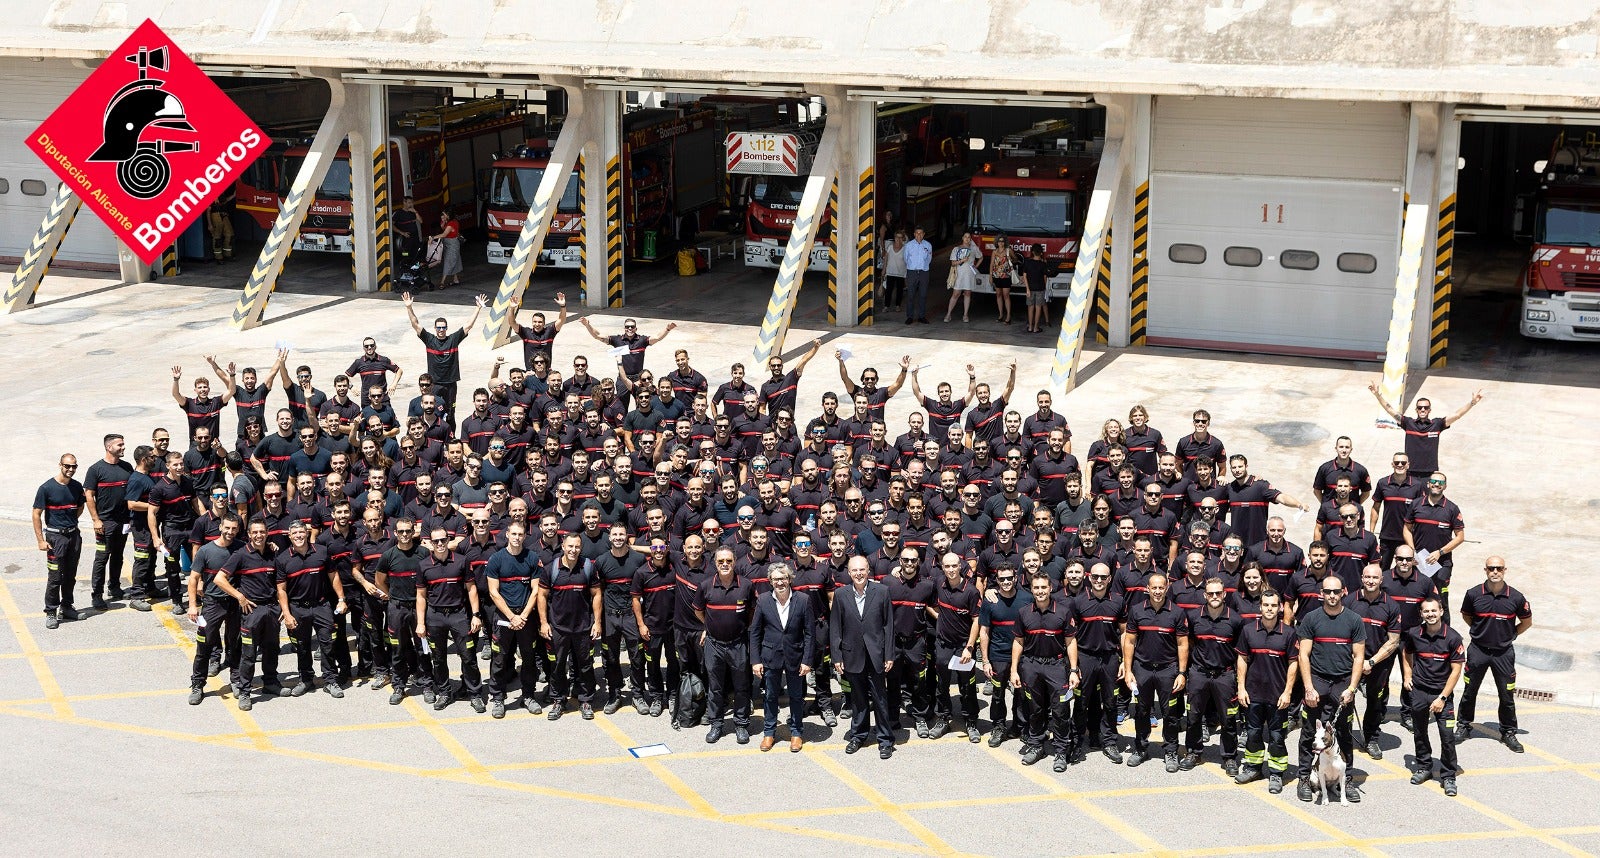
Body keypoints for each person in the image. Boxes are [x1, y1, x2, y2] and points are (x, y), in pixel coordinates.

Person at [1295, 573, 1365, 803]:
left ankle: (1348, 780)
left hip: (1342, 683)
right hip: (1318, 681)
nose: (1332, 595)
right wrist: (1308, 687)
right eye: (1328, 591)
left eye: (1336, 591)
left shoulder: (1354, 620)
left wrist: (1352, 688)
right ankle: (1305, 777)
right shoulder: (1311, 619)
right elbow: (1303, 655)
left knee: (1343, 734)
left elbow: (1358, 657)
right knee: (1309, 733)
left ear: (1344, 592)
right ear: (1321, 594)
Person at [1455, 556, 1533, 753]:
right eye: (1491, 568)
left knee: (1506, 695)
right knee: (1469, 691)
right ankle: (1464, 725)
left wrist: (1512, 634)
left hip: (1503, 654)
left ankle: (1508, 732)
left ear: (1505, 570)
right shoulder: (1473, 594)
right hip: (1478, 651)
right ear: (1485, 570)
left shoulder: (1516, 597)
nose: (1495, 572)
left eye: (1499, 568)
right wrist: (1480, 631)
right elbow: (1467, 615)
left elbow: (1526, 622)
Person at [1011, 572, 1080, 772]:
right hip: (1031, 666)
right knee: (1035, 709)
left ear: (1050, 588)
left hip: (1056, 666)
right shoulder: (1024, 613)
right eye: (1036, 588)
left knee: (1060, 710)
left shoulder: (1063, 612)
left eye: (1043, 587)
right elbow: (1018, 642)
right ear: (1031, 590)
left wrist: (1074, 670)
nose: (1040, 591)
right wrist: (1014, 670)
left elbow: (1070, 642)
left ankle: (1060, 750)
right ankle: (1036, 745)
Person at [213, 520, 285, 709]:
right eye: (255, 532)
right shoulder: (241, 555)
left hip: (271, 610)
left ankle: (270, 682)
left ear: (267, 533)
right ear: (249, 534)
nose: (259, 535)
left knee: (271, 649)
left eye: (262, 531)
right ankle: (245, 691)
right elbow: (219, 579)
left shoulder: (272, 553)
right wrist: (240, 597)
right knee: (249, 654)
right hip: (251, 612)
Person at [831, 555, 898, 758]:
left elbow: (888, 626)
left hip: (876, 654)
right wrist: (837, 656)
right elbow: (836, 628)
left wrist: (889, 654)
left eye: (862, 570)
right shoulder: (841, 594)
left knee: (879, 699)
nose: (859, 574)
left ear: (868, 571)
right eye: (854, 570)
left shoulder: (882, 591)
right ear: (849, 573)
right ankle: (858, 735)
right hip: (852, 656)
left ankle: (885, 740)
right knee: (858, 700)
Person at [1234, 586, 1298, 793]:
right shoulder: (1248, 630)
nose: (1269, 609)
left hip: (1278, 696)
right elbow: (1242, 659)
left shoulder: (1288, 633)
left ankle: (1277, 773)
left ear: (1280, 608)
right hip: (1253, 694)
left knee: (1277, 736)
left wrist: (1288, 692)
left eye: (1273, 606)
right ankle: (1253, 767)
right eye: (1265, 605)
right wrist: (1241, 688)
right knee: (1252, 734)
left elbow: (1293, 664)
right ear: (1260, 607)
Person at [1122, 572, 1188, 771]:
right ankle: (1141, 748)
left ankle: (1170, 751)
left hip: (1168, 670)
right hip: (1142, 669)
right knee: (1141, 710)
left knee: (1170, 713)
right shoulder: (1136, 611)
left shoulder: (1177, 612)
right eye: (1154, 588)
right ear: (1147, 589)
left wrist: (1182, 673)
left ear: (1166, 588)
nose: (1158, 591)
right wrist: (1128, 670)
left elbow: (1182, 644)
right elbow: (1130, 641)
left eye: (1161, 587)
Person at [417, 525, 484, 712]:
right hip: (435, 616)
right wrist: (421, 623)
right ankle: (444, 692)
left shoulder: (462, 561)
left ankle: (475, 694)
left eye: (443, 540)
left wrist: (476, 615)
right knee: (438, 658)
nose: (440, 544)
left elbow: (471, 589)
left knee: (468, 656)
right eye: (435, 541)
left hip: (459, 615)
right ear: (430, 543)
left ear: (449, 540)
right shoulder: (423, 565)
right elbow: (421, 596)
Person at [1403, 595, 1466, 796]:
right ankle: (1424, 766)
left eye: (1433, 611)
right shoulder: (1414, 634)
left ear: (1441, 611)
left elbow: (1456, 670)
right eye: (1426, 611)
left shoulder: (1453, 638)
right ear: (1421, 614)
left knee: (1447, 736)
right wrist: (1407, 675)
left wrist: (1442, 698)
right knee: (1419, 731)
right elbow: (1406, 653)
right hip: (1419, 692)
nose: (1430, 614)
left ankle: (1448, 776)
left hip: (1442, 695)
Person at [275, 521, 346, 698]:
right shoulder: (283, 559)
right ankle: (306, 679)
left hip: (322, 606)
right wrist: (287, 613)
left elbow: (334, 576)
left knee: (327, 644)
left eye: (301, 532)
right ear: (289, 536)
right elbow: (281, 590)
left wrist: (341, 599)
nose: (298, 536)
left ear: (307, 533)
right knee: (302, 647)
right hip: (298, 609)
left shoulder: (321, 552)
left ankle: (330, 680)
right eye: (294, 533)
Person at [749, 561, 815, 752]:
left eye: (784, 578)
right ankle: (769, 733)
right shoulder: (763, 600)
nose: (780, 582)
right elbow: (755, 633)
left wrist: (807, 660)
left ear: (790, 579)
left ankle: (796, 733)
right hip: (770, 656)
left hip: (795, 656)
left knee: (796, 696)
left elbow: (810, 633)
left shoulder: (803, 600)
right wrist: (756, 661)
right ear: (770, 581)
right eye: (776, 579)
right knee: (770, 696)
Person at [538, 533, 601, 720]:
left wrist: (597, 622)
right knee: (557, 666)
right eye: (570, 546)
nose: (573, 550)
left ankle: (586, 700)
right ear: (563, 547)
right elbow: (541, 596)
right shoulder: (551, 569)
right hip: (558, 628)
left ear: (581, 548)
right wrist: (543, 622)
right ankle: (558, 700)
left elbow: (597, 594)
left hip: (583, 628)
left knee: (585, 665)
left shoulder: (588, 567)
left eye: (577, 547)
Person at [1183, 576, 1243, 774]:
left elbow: (1239, 651)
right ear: (1205, 595)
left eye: (1218, 593)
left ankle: (1229, 757)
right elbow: (1189, 643)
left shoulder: (1235, 619)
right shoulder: (1193, 617)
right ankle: (1193, 751)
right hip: (1199, 673)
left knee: (1228, 719)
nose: (1215, 596)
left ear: (1224, 594)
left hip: (1224, 675)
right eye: (1211, 593)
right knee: (1193, 716)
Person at [403, 290, 486, 428]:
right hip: (434, 384)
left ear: (446, 328)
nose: (441, 330)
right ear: (435, 328)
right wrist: (409, 307)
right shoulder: (429, 339)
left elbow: (468, 325)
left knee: (450, 412)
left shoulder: (453, 339)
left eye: (443, 327)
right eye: (439, 327)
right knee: (432, 411)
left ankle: (450, 437)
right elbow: (415, 324)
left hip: (451, 384)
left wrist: (477, 309)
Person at [696, 546, 754, 743]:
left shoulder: (746, 585)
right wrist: (709, 626)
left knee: (741, 686)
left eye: (728, 561)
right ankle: (716, 724)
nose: (725, 565)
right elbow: (699, 611)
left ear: (734, 561)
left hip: (738, 644)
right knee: (715, 687)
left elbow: (752, 612)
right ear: (715, 563)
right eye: (721, 561)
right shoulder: (705, 586)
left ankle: (741, 724)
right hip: (714, 645)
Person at [1366, 383, 1484, 478]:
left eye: (1426, 408)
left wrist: (1472, 403)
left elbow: (1457, 415)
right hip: (1410, 472)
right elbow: (1390, 410)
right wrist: (1377, 395)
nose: (1423, 409)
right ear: (1416, 410)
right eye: (1420, 407)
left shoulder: (1437, 425)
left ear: (1429, 410)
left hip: (1429, 473)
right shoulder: (1408, 423)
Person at [186, 515, 242, 704]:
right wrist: (193, 605)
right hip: (212, 604)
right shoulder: (205, 551)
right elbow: (193, 578)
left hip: (235, 604)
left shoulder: (242, 548)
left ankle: (236, 680)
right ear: (220, 527)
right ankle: (197, 684)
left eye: (234, 528)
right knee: (204, 644)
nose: (230, 532)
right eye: (227, 528)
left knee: (235, 644)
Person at [33, 453, 86, 629]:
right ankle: (50, 612)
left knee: (70, 575)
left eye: (74, 467)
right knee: (55, 577)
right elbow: (36, 514)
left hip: (73, 536)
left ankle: (67, 607)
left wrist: (70, 524)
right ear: (60, 465)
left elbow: (80, 507)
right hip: (55, 538)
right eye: (67, 466)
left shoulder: (77, 487)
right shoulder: (46, 488)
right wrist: (41, 540)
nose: (71, 470)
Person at [83, 434, 133, 610]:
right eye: (119, 445)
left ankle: (114, 587)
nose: (123, 447)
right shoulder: (95, 469)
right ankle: (97, 595)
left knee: (118, 556)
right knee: (102, 558)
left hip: (123, 522)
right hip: (105, 523)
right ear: (108, 447)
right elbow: (88, 495)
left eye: (123, 444)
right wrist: (96, 520)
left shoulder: (127, 467)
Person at [578, 316, 676, 382]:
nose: (630, 328)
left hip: (639, 378)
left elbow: (657, 337)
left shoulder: (642, 340)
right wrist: (587, 325)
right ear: (624, 328)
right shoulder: (617, 340)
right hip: (623, 379)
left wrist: (667, 329)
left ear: (636, 329)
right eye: (627, 326)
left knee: (642, 406)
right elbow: (598, 336)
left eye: (632, 327)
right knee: (621, 407)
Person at [510, 292, 568, 369]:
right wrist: (511, 309)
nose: (537, 324)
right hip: (531, 372)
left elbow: (561, 319)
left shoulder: (549, 332)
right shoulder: (526, 333)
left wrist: (563, 306)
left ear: (544, 323)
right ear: (532, 322)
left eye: (540, 322)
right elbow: (512, 322)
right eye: (535, 322)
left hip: (546, 371)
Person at [943, 231, 981, 323]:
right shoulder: (956, 249)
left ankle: (965, 315)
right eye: (965, 237)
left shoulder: (973, 249)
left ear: (970, 239)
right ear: (962, 238)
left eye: (969, 237)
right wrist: (962, 260)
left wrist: (975, 267)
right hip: (959, 274)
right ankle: (948, 314)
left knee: (967, 293)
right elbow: (953, 263)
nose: (967, 239)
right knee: (956, 294)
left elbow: (980, 257)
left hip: (969, 274)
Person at [902, 226, 933, 325]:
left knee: (923, 295)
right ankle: (910, 316)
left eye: (921, 233)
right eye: (917, 233)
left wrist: (923, 267)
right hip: (912, 272)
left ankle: (921, 316)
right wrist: (912, 267)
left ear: (924, 234)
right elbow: (906, 259)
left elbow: (929, 258)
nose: (919, 235)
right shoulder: (909, 245)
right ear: (914, 234)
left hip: (924, 272)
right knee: (911, 295)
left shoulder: (928, 245)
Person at [1021, 244, 1050, 333]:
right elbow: (1045, 278)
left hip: (1030, 288)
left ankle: (1030, 327)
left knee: (1030, 307)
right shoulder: (1043, 264)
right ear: (1041, 253)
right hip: (1040, 288)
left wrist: (1027, 289)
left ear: (1032, 252)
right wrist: (1044, 288)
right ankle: (1036, 328)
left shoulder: (1028, 262)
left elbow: (1024, 276)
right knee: (1038, 308)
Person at [988, 233, 1017, 324]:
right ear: (997, 242)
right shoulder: (994, 252)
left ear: (1005, 242)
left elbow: (1016, 259)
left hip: (1006, 276)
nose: (1001, 243)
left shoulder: (1008, 251)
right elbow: (992, 264)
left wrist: (1010, 259)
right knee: (998, 295)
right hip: (997, 276)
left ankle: (1008, 316)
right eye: (999, 241)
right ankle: (1001, 315)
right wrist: (990, 276)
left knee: (1006, 295)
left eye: (1002, 241)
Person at [430, 211, 463, 287]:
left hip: (452, 244)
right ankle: (455, 279)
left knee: (448, 261)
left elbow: (444, 234)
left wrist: (433, 237)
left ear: (448, 215)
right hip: (449, 243)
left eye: (444, 215)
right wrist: (444, 222)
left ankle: (442, 282)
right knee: (454, 260)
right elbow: (443, 228)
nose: (443, 216)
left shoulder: (452, 223)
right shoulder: (448, 221)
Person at [881, 228, 907, 311]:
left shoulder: (905, 248)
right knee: (889, 290)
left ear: (903, 239)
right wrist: (884, 270)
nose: (898, 239)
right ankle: (886, 306)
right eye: (897, 237)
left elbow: (908, 261)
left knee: (900, 290)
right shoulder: (890, 247)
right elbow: (886, 259)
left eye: (900, 237)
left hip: (901, 273)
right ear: (894, 237)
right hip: (890, 272)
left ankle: (897, 306)